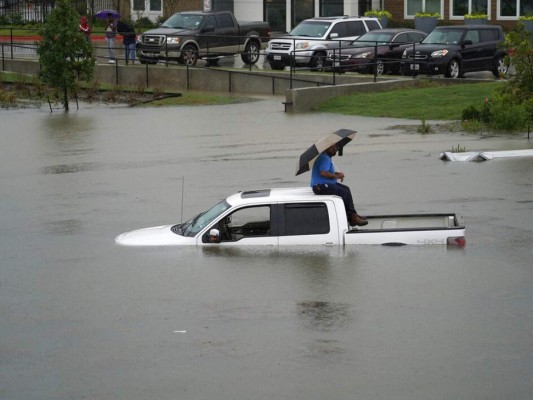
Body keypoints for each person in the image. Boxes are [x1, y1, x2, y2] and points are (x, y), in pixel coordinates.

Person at [310, 144, 368, 226]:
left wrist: (337, 174)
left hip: (324, 184)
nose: (335, 149)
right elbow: (323, 173)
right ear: (326, 148)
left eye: (336, 147)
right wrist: (337, 176)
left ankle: (353, 214)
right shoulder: (324, 158)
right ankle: (352, 218)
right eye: (332, 147)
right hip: (320, 186)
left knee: (346, 189)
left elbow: (327, 172)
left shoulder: (326, 157)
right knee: (344, 193)